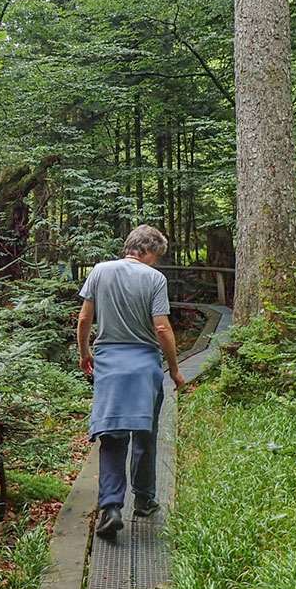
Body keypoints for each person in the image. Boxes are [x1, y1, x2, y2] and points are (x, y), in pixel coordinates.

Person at [76, 224, 185, 539]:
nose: (156, 263)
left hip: (109, 365)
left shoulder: (100, 271)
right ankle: (144, 500)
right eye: (157, 257)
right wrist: (175, 370)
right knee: (145, 435)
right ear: (148, 251)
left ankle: (110, 507)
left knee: (112, 436)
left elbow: (84, 319)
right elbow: (162, 329)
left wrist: (85, 354)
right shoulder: (154, 279)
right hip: (144, 367)